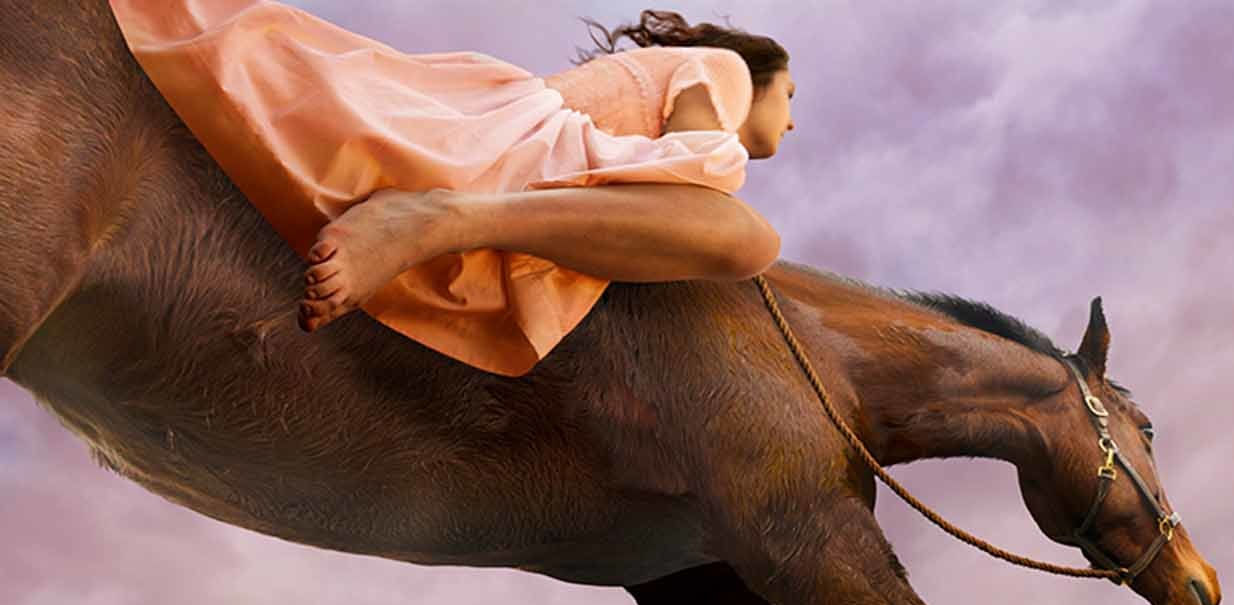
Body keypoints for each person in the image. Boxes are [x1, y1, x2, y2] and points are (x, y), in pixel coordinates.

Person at [107, 3, 796, 375]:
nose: (791, 121)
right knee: (750, 238)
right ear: (761, 74)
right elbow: (692, 171)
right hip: (515, 161)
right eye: (789, 95)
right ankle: (440, 220)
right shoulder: (726, 70)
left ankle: (444, 215)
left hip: (493, 137)